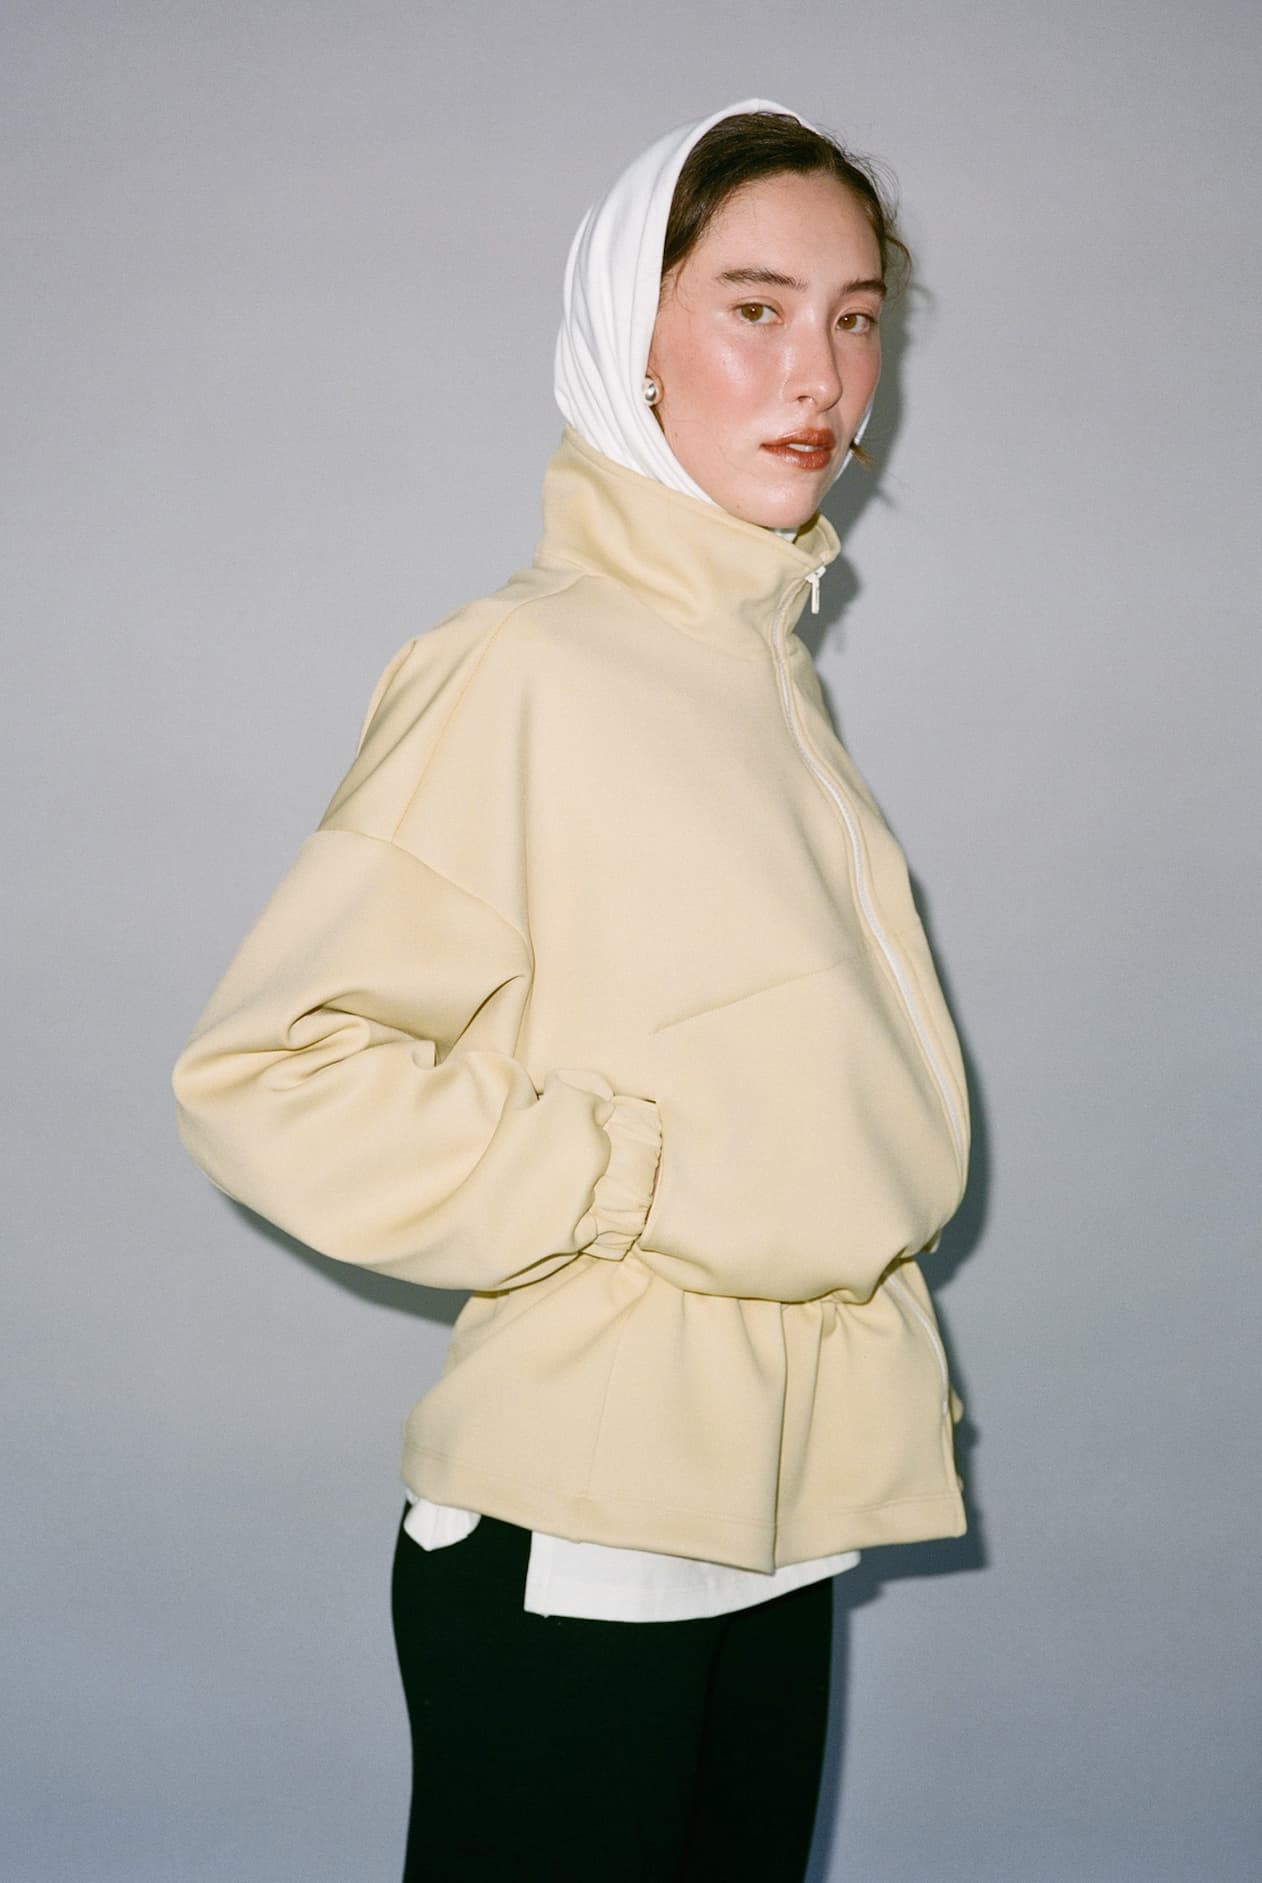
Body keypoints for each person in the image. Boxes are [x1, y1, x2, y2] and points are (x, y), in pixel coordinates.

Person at [171, 97, 971, 1883]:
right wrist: (619, 1172)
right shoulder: (523, 665)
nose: (821, 373)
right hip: (581, 1537)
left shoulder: (758, 670)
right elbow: (266, 1068)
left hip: (772, 1518)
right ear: (633, 339)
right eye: (754, 308)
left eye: (854, 318)